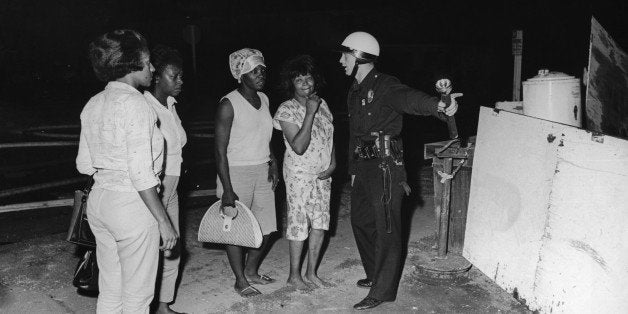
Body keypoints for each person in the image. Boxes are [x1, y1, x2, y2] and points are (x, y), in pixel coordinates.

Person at [337, 31, 460, 310]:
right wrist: (353, 169)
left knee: (387, 228)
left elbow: (410, 99)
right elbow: (354, 135)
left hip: (386, 168)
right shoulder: (354, 91)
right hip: (364, 166)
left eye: (344, 54)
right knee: (361, 222)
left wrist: (439, 104)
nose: (340, 60)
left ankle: (382, 291)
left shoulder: (385, 85)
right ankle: (375, 274)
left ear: (358, 57)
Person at [76, 29, 178, 313]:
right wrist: (164, 221)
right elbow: (141, 174)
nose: (152, 68)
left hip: (100, 203)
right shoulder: (138, 104)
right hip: (132, 206)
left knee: (111, 289)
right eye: (147, 62)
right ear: (131, 65)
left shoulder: (94, 103)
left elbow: (84, 164)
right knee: (137, 296)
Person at [214, 48, 280, 298]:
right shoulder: (228, 104)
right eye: (254, 70)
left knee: (266, 227)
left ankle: (251, 271)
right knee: (237, 230)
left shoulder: (264, 99)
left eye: (262, 69)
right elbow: (219, 152)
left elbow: (265, 134)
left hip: (262, 169)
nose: (261, 74)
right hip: (236, 172)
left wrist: (273, 160)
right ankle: (240, 280)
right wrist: (227, 189)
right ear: (241, 74)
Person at [273, 55, 336, 290]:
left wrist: (333, 163)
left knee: (320, 223)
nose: (304, 83)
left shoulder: (324, 104)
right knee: (299, 223)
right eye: (298, 79)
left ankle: (311, 273)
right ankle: (294, 276)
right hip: (299, 174)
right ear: (291, 84)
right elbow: (298, 146)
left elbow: (330, 136)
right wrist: (309, 112)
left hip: (322, 174)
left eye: (307, 77)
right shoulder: (286, 110)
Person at [143, 45, 187, 314]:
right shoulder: (146, 108)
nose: (180, 81)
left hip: (174, 185)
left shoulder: (170, 105)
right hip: (156, 187)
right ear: (157, 77)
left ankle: (163, 306)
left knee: (173, 246)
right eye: (174, 76)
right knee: (150, 250)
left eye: (181, 76)